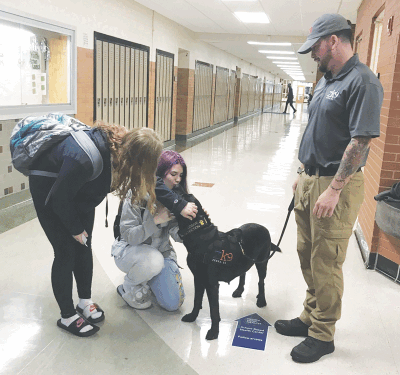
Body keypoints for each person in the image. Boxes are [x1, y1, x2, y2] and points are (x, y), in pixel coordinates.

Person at [274, 13, 383, 363]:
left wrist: (334, 187)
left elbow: (360, 141)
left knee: (327, 261)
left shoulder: (362, 82)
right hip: (310, 179)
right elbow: (318, 130)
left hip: (337, 184)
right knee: (307, 254)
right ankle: (310, 315)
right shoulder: (325, 80)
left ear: (333, 41)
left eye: (316, 47)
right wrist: (303, 171)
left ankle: (323, 333)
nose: (312, 55)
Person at [29, 120, 197, 338]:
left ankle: (85, 301)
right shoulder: (88, 159)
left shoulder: (127, 149)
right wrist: (75, 228)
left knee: (84, 246)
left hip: (80, 192)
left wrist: (180, 205)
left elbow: (153, 180)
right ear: (138, 158)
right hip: (50, 190)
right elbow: (60, 199)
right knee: (65, 252)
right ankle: (67, 315)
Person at [112, 150, 189, 311]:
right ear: (159, 173)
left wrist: (193, 227)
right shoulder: (136, 194)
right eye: (174, 174)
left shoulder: (176, 198)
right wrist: (155, 220)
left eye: (181, 175)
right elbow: (130, 236)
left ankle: (148, 278)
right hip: (131, 251)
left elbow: (176, 233)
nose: (178, 180)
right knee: (154, 261)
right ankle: (129, 285)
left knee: (173, 303)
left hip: (161, 252)